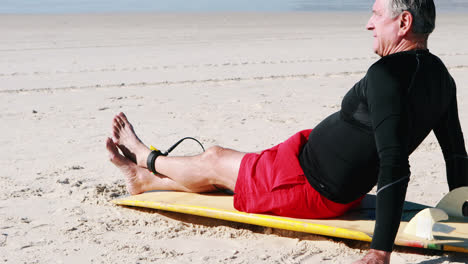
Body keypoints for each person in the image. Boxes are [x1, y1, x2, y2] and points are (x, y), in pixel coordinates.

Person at [105, 0, 468, 263]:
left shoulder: (387, 75)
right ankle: (146, 182)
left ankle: (147, 158)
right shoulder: (440, 78)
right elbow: (455, 153)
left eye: (376, 14)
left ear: (403, 22)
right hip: (304, 161)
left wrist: (380, 250)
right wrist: (462, 211)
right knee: (226, 175)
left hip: (305, 185)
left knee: (214, 159)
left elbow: (394, 163)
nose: (368, 24)